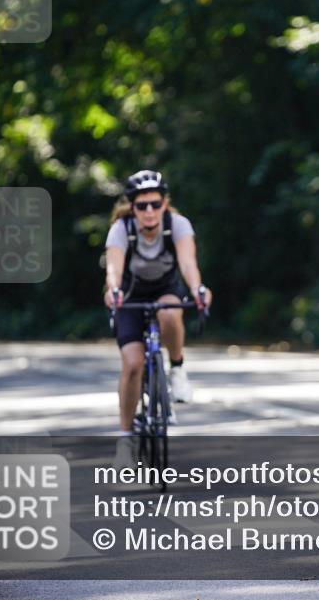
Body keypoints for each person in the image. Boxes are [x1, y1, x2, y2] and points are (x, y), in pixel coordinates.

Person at [103, 170, 211, 469]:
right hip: (130, 295)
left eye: (155, 203)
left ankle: (177, 370)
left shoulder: (177, 224)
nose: (149, 211)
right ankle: (125, 438)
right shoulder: (121, 229)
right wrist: (113, 290)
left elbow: (188, 264)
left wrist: (197, 289)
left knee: (169, 313)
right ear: (132, 207)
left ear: (164, 203)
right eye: (142, 205)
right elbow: (113, 269)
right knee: (133, 364)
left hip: (165, 289)